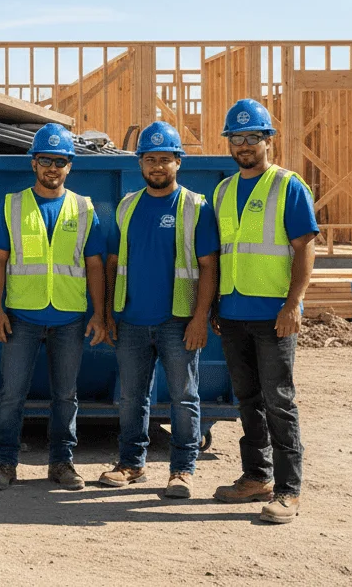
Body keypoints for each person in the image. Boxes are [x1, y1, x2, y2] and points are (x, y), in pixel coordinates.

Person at [96, 122, 219, 499]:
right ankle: (131, 464)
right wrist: (108, 313)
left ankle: (182, 470)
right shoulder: (128, 205)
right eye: (151, 159)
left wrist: (199, 318)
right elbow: (114, 261)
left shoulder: (195, 207)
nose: (158, 166)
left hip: (178, 322)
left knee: (184, 397)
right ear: (140, 163)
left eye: (165, 159)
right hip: (132, 320)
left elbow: (209, 266)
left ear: (178, 162)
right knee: (132, 397)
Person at [0, 123, 108, 491]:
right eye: (45, 161)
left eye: (60, 161)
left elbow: (96, 265)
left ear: (70, 165)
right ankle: (4, 464)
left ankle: (62, 464)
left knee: (65, 396)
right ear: (33, 163)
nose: (52, 168)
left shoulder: (84, 209)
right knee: (11, 395)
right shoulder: (12, 204)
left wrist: (99, 314)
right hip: (21, 316)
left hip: (70, 318)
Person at [210, 99, 318, 525]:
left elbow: (304, 246)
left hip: (274, 314)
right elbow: (221, 253)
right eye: (236, 138)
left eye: (252, 137)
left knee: (279, 400)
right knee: (248, 399)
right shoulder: (222, 190)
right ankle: (257, 477)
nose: (244, 145)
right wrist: (217, 304)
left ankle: (289, 491)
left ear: (268, 140)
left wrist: (293, 304)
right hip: (234, 312)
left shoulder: (288, 186)